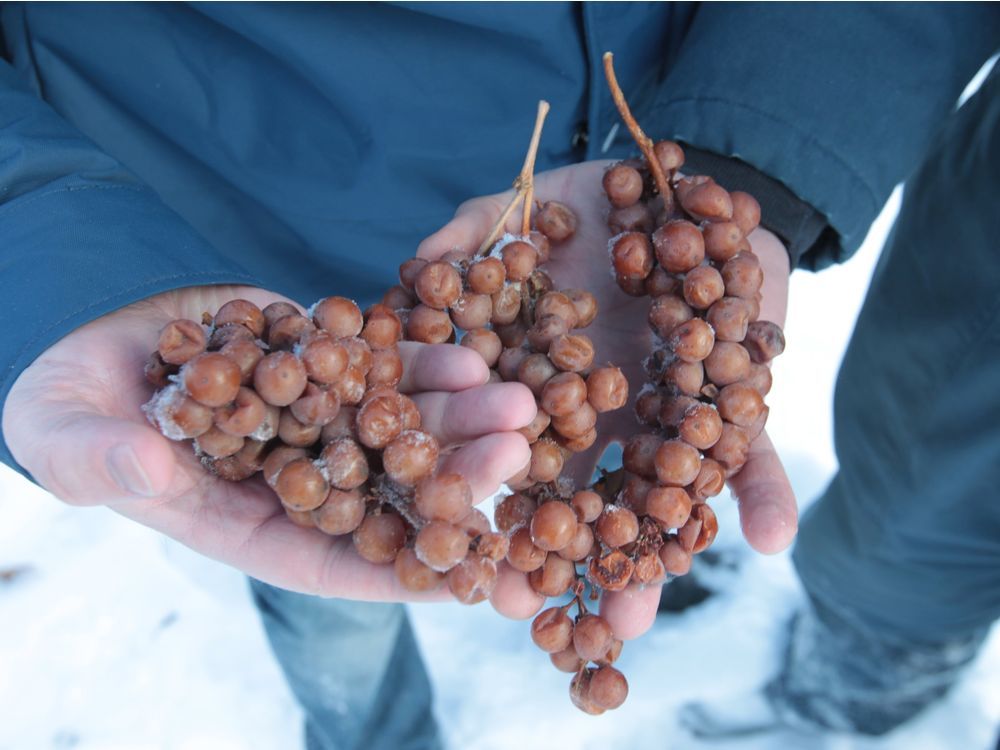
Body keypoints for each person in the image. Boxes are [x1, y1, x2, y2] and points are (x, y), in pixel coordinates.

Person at [1, 3, 996, 748]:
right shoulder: (252, 374)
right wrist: (53, 253)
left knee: (584, 464)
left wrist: (751, 155)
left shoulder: (613, 273)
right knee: (321, 562)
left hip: (626, 137)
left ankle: (652, 572)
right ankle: (374, 732)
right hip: (206, 226)